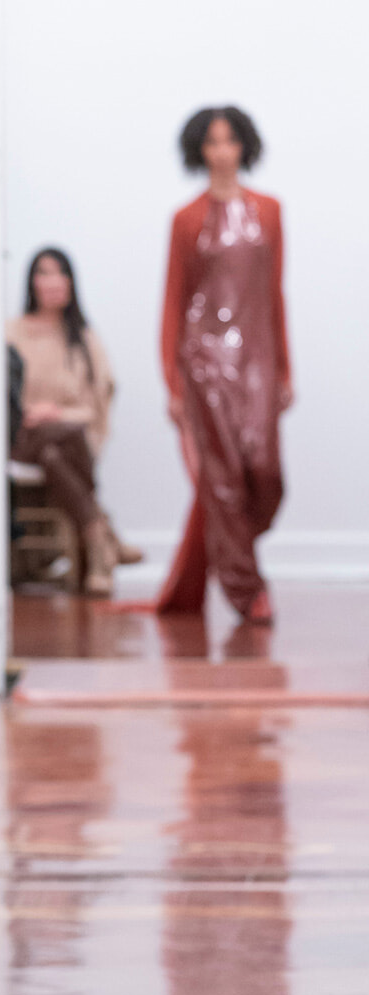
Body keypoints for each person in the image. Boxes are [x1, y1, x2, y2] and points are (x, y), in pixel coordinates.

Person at [157, 106, 291, 622]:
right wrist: (173, 381)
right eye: (211, 142)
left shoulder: (270, 211)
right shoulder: (186, 218)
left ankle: (231, 545)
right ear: (199, 150)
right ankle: (246, 589)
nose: (221, 152)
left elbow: (274, 293)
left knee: (264, 471)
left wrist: (284, 369)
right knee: (223, 479)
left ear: (244, 146)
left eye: (229, 141)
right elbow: (174, 299)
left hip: (258, 358)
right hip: (204, 363)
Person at [7, 249, 139, 597]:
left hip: (67, 436)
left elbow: (96, 403)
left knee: (54, 452)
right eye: (44, 273)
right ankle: (102, 536)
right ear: (32, 282)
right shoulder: (11, 333)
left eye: (60, 273)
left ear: (70, 282)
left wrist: (57, 413)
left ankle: (98, 537)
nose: (53, 281)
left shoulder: (84, 338)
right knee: (51, 442)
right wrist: (32, 412)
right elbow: (2, 396)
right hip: (23, 434)